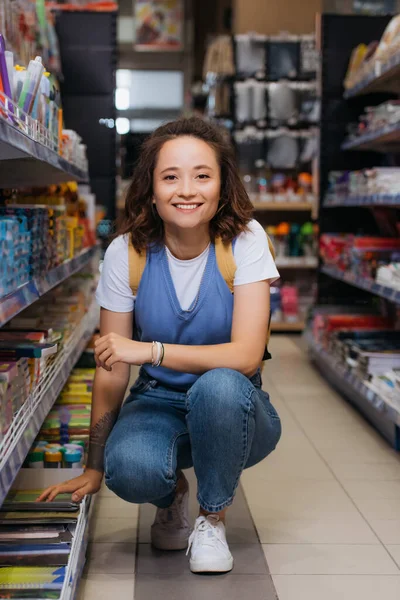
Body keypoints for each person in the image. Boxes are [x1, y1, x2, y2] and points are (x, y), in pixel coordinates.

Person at [38, 117, 282, 574]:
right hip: (158, 402)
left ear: (221, 185)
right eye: (171, 176)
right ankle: (172, 496)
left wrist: (151, 351)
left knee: (220, 387)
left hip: (238, 408)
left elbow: (247, 355)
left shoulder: (246, 242)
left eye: (202, 176)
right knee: (127, 468)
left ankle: (212, 520)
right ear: (150, 189)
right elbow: (112, 366)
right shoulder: (126, 253)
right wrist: (94, 465)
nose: (186, 190)